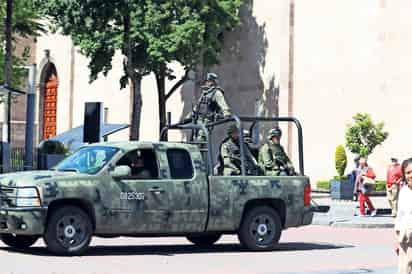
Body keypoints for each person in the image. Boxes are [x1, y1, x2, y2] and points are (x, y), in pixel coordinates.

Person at [186, 73, 232, 140]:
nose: (207, 82)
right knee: (194, 139)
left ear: (213, 82)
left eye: (209, 81)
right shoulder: (205, 93)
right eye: (207, 81)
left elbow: (223, 104)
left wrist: (227, 114)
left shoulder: (216, 92)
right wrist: (189, 116)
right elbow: (198, 106)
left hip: (207, 120)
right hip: (198, 119)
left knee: (201, 139)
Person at [395, 158, 412, 274]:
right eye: (408, 172)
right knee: (404, 270)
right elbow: (400, 216)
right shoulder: (404, 192)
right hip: (406, 239)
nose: (411, 175)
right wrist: (397, 239)